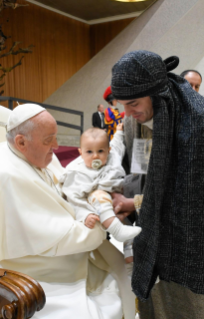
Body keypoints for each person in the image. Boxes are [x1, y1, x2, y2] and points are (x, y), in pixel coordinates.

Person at [0, 103, 135, 319]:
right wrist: (101, 223)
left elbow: (64, 186)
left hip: (74, 252)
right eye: (49, 140)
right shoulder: (6, 176)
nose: (57, 146)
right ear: (21, 142)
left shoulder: (34, 154)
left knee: (132, 277)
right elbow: (55, 239)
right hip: (42, 271)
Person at [110, 50, 204, 319]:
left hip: (189, 237)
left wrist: (137, 203)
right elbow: (136, 174)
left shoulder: (197, 124)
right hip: (149, 226)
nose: (127, 112)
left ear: (156, 93)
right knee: (153, 301)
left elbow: (188, 198)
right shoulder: (132, 121)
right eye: (122, 104)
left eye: (133, 103)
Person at [59, 125, 141, 244]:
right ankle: (117, 231)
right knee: (99, 195)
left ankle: (129, 252)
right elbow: (74, 199)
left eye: (100, 151)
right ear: (81, 153)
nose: (95, 156)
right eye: (89, 152)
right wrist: (85, 215)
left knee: (129, 231)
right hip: (95, 203)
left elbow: (117, 144)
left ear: (108, 150)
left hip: (118, 200)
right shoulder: (76, 171)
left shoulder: (112, 156)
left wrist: (118, 131)